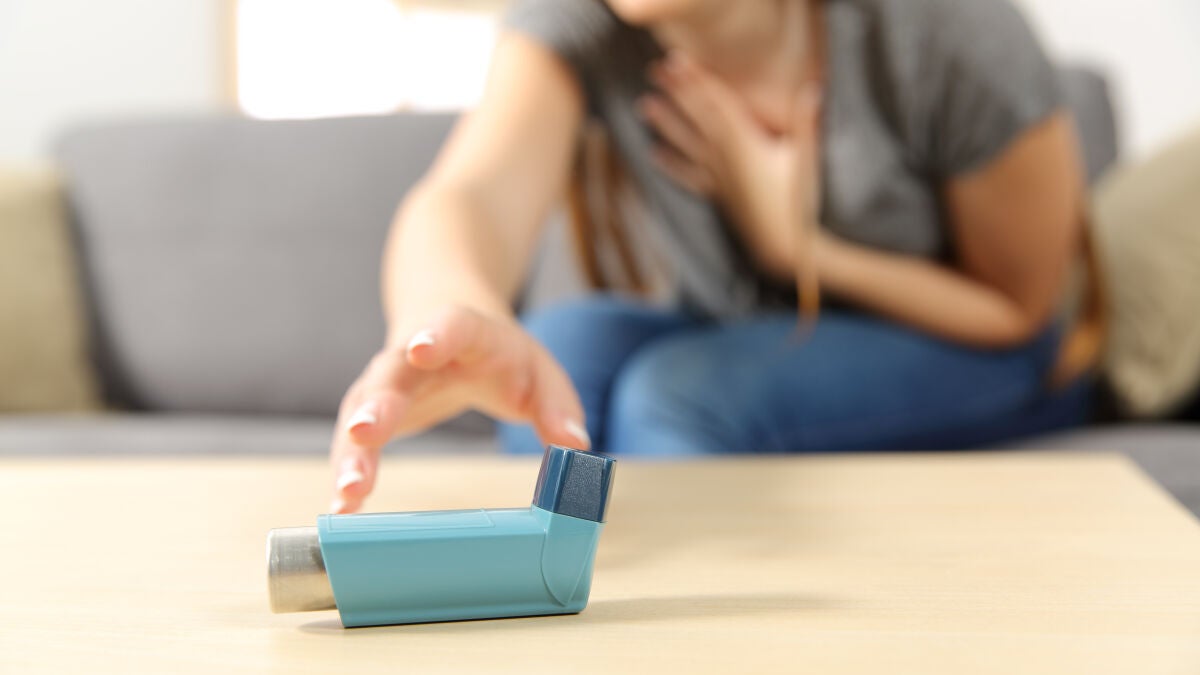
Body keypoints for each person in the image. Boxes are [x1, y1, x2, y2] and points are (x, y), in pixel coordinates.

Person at [327, 0, 1097, 514]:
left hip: (991, 347)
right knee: (558, 351)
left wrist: (800, 249)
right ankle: (563, 597)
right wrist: (449, 319)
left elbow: (1018, 308)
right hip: (748, 333)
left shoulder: (943, 27)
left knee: (673, 396)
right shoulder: (582, 21)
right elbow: (470, 195)